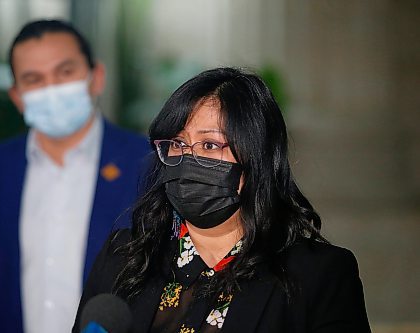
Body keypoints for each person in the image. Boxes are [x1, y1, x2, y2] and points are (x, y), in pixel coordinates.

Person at [73, 67, 371, 333]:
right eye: (177, 144)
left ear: (256, 158)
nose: (189, 158)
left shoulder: (318, 274)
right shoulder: (123, 257)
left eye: (209, 144)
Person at [0, 19, 149, 333]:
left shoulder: (149, 164)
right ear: (16, 96)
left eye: (65, 72)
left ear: (96, 77)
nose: (52, 89)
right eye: (34, 79)